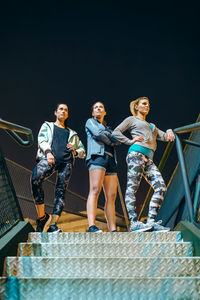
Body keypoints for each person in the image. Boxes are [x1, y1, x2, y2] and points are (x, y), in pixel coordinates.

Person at [112, 97, 175, 232]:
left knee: (161, 187)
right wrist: (130, 141)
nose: (147, 106)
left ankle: (151, 221)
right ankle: (134, 222)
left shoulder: (152, 126)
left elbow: (166, 137)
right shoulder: (132, 119)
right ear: (136, 107)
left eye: (148, 104)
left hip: (149, 159)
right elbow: (115, 132)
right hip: (136, 154)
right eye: (144, 104)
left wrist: (169, 130)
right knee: (132, 187)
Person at [31, 103, 85, 233]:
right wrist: (48, 153)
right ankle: (42, 217)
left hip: (66, 163)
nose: (63, 111)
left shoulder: (73, 133)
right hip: (50, 158)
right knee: (35, 177)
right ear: (55, 112)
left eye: (66, 110)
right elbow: (42, 140)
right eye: (61, 109)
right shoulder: (48, 126)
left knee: (60, 191)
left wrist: (75, 152)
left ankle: (53, 225)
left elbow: (83, 151)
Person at [85, 101, 120, 232]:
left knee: (111, 195)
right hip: (97, 157)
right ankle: (92, 225)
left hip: (111, 159)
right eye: (96, 107)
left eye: (101, 107)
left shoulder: (108, 128)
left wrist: (109, 136)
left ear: (105, 112)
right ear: (93, 112)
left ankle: (113, 229)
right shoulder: (90, 122)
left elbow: (117, 140)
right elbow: (98, 133)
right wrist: (110, 137)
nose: (98, 109)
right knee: (95, 190)